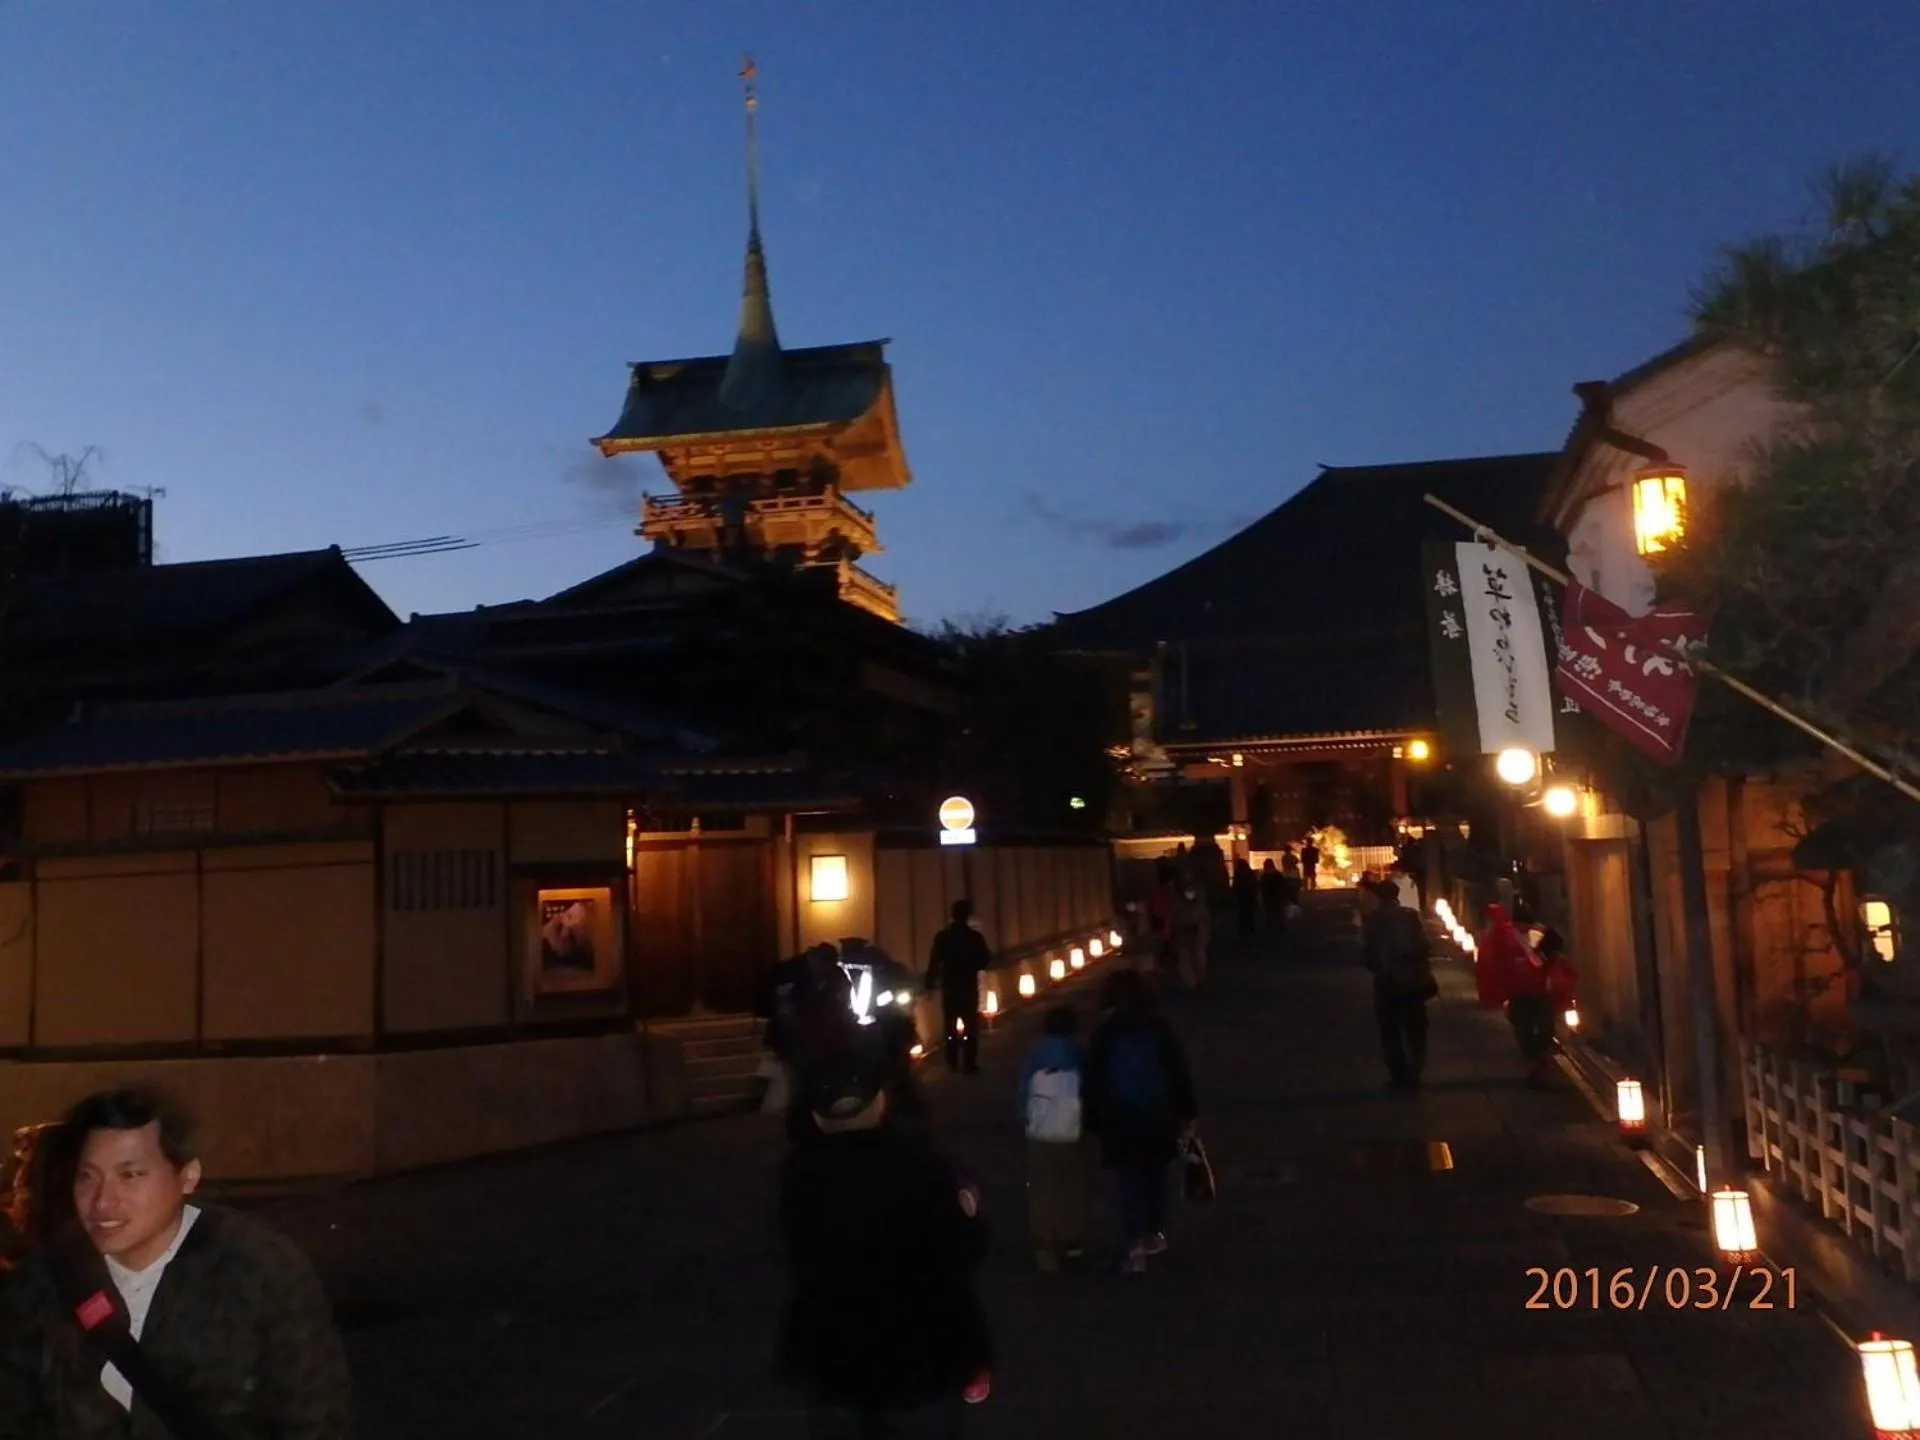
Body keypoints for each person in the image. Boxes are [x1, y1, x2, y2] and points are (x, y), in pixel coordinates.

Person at [0, 1086, 353, 1438]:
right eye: (87, 1176)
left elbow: (314, 1419)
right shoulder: (46, 1280)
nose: (103, 1202)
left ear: (187, 1177)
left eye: (130, 1175)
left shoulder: (260, 1272)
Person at [778, 1039, 993, 1437]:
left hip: (834, 1353)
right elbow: (963, 1252)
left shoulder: (800, 1173)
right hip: (918, 1352)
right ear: (879, 1102)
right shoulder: (921, 1164)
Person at [1083, 969, 1198, 1275]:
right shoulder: (1159, 1026)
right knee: (1156, 1174)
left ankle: (1133, 1243)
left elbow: (1094, 1079)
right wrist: (1188, 1112)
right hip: (1157, 1115)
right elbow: (1177, 1071)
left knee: (1127, 1180)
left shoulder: (1105, 1030)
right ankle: (1155, 1233)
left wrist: (1093, 1119)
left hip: (1119, 1118)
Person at [1018, 1006, 1090, 1273]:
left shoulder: (1035, 1056)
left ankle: (1045, 1246)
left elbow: (1023, 1092)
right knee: (1073, 1185)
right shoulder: (1078, 1056)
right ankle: (1072, 1241)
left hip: (1040, 1132)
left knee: (1042, 1189)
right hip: (1071, 1131)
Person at [1359, 878, 1439, 1092]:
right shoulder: (1410, 917)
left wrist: (1379, 966)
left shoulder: (1372, 920)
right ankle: (1415, 1072)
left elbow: (1365, 953)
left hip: (1387, 981)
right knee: (1416, 1030)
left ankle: (1398, 1075)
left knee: (1390, 1031)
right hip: (1412, 980)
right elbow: (1424, 946)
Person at [926, 900, 992, 1075]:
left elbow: (934, 962)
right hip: (968, 986)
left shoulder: (943, 937)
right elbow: (985, 960)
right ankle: (969, 1064)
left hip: (950, 986)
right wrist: (972, 965)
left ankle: (952, 1061)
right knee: (971, 1026)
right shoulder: (975, 937)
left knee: (950, 1026)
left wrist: (930, 985)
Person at [1171, 881, 1211, 989]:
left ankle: (1196, 981)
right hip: (1187, 928)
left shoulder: (1187, 895)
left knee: (1194, 955)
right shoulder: (1177, 898)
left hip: (1192, 927)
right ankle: (1194, 981)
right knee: (1190, 956)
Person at [1258, 859, 1286, 939]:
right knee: (1279, 912)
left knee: (1269, 912)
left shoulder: (1264, 875)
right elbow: (1283, 885)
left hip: (1268, 896)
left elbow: (1262, 887)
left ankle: (1269, 926)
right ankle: (1280, 926)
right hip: (1277, 896)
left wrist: (1262, 896)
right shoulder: (1278, 874)